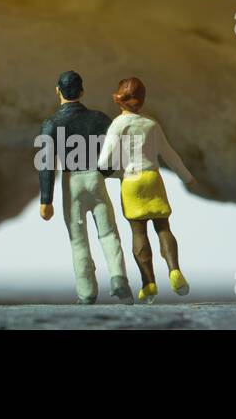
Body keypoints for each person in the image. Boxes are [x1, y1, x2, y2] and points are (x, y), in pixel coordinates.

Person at [36, 70, 133, 305]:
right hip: (95, 178)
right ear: (82, 91)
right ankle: (119, 278)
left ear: (57, 91)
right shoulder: (99, 119)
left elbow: (47, 165)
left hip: (71, 182)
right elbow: (117, 149)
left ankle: (86, 291)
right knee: (109, 233)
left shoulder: (51, 124)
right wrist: (108, 173)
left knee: (78, 240)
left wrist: (46, 200)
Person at [98, 76, 194, 302]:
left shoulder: (117, 126)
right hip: (153, 177)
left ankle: (149, 284)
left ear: (119, 99)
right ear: (142, 100)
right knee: (163, 227)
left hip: (131, 182)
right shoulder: (152, 124)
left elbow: (103, 163)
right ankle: (175, 271)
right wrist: (187, 177)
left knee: (138, 233)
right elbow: (170, 154)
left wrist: (112, 174)